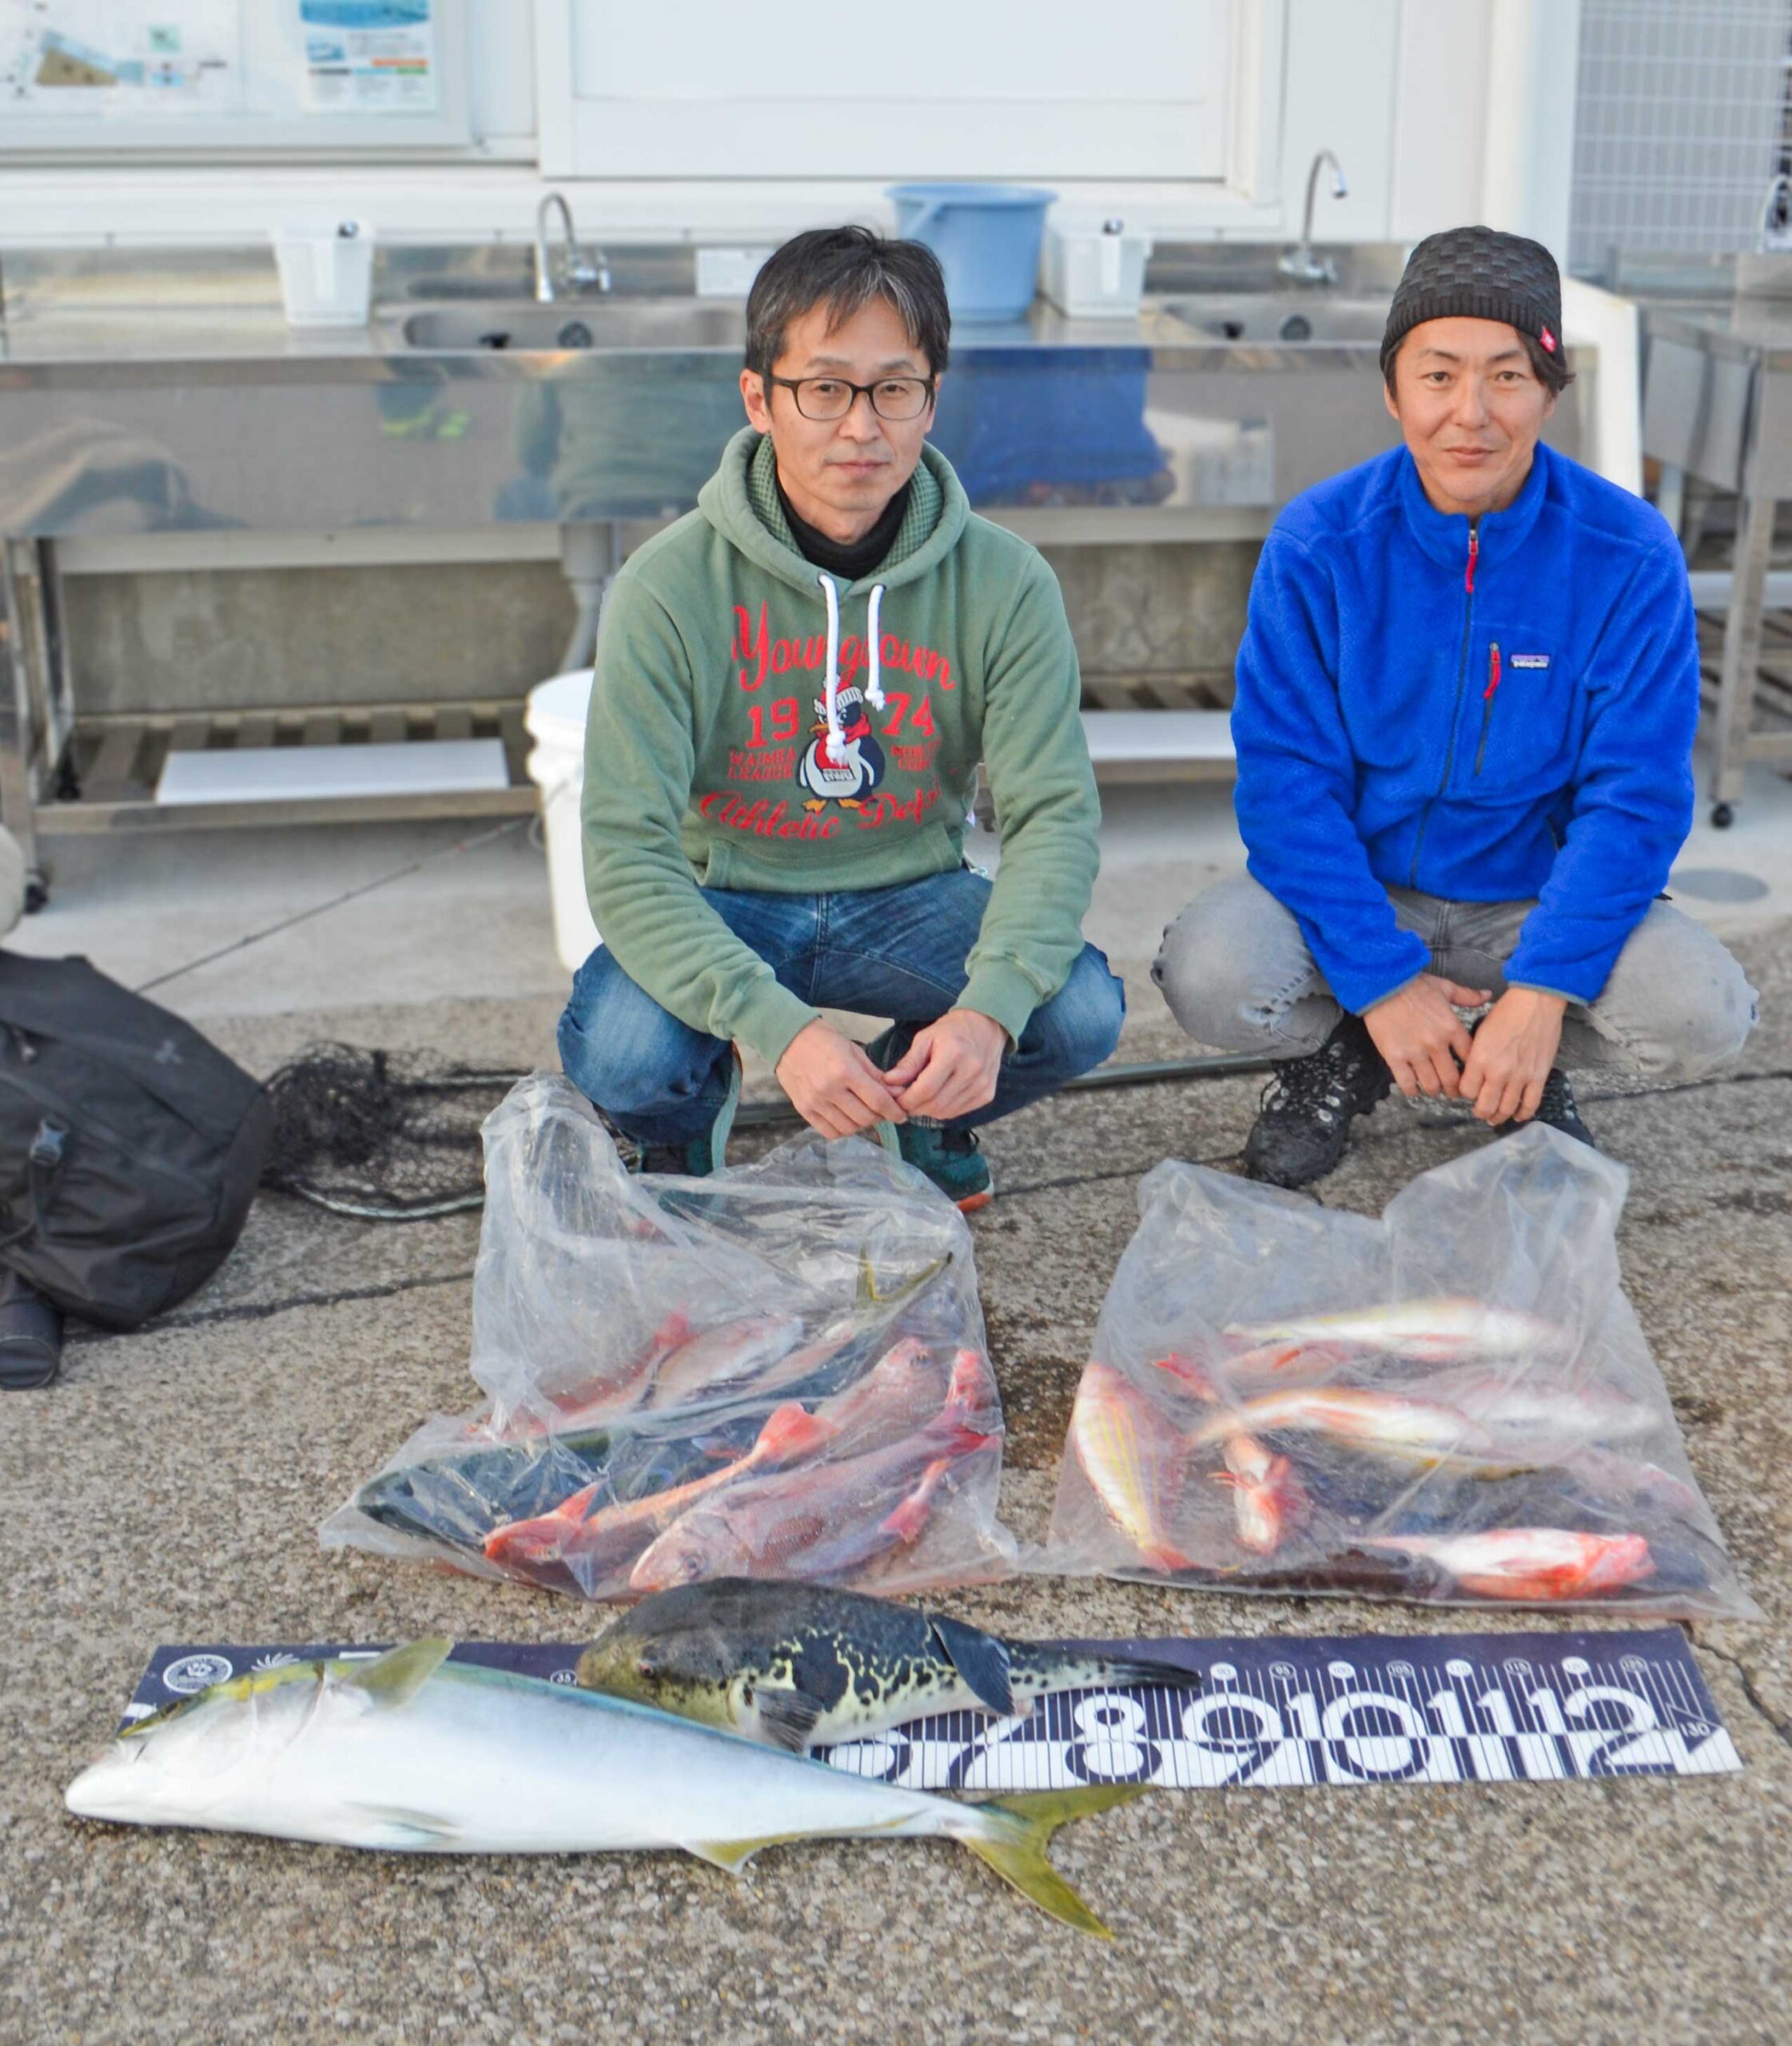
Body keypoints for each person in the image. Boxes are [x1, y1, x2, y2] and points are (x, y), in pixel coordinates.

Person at [1154, 224, 1757, 1188]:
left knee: (1700, 1010)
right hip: (1367, 883)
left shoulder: (1628, 554)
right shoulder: (1319, 542)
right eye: (1437, 376)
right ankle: (1350, 1049)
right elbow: (1285, 787)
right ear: (1394, 390)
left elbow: (1634, 799)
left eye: (1507, 376)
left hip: (1526, 903)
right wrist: (1380, 980)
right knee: (1213, 970)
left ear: (1550, 392)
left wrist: (1548, 986)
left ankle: (1525, 1059)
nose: (1469, 413)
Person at [558, 226, 1123, 1210]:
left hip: (911, 891)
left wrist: (985, 1016)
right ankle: (682, 1122)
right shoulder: (664, 587)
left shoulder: (1005, 581)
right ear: (760, 398)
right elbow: (625, 850)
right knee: (622, 1049)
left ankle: (925, 1101)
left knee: (1075, 1009)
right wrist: (780, 1033)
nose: (860, 426)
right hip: (727, 888)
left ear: (930, 400)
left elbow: (1053, 819)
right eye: (824, 388)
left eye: (892, 388)